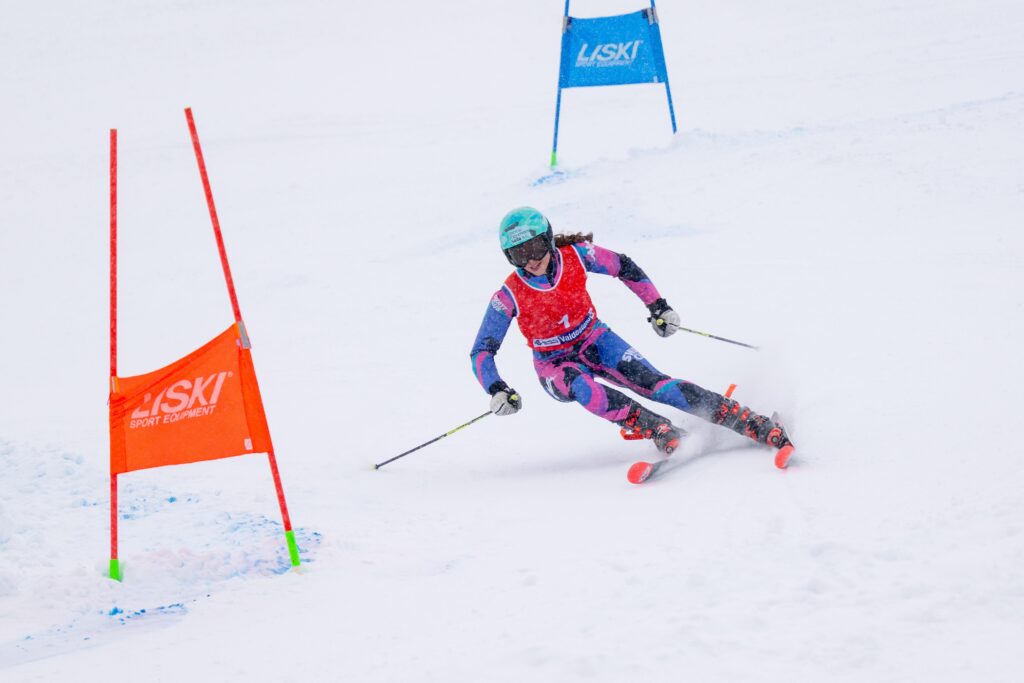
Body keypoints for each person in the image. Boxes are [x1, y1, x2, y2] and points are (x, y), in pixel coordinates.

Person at [469, 206, 792, 462]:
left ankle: (749, 421)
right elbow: (482, 349)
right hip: (554, 365)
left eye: (536, 247)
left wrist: (659, 307)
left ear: (549, 239)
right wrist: (496, 388)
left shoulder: (578, 256)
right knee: (584, 387)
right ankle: (659, 430)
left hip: (596, 340)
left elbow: (624, 266)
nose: (533, 260)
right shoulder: (508, 295)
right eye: (520, 254)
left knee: (658, 385)